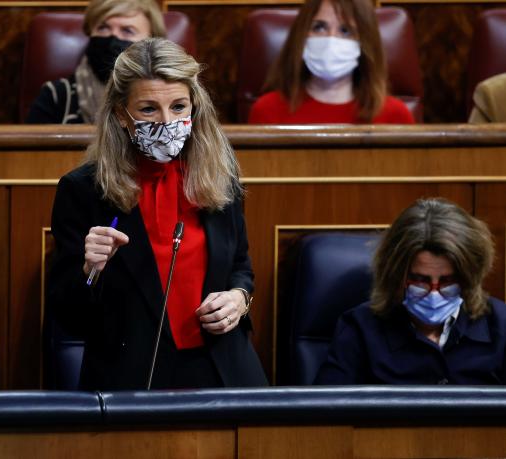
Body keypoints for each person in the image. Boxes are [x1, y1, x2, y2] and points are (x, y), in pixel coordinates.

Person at [48, 38, 267, 390]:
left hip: (225, 372)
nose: (167, 121)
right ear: (121, 114)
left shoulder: (218, 175)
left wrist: (239, 300)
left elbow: (240, 267)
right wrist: (89, 270)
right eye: (149, 109)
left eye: (179, 106)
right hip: (134, 378)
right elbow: (69, 315)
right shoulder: (84, 190)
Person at [315, 198, 506, 384]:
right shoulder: (359, 330)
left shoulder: (501, 325)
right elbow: (326, 412)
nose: (434, 293)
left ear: (468, 278)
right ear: (397, 276)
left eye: (447, 281)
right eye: (420, 280)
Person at [248, 0, 414, 124]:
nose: (331, 39)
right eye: (319, 27)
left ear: (365, 43)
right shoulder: (267, 111)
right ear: (301, 35)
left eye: (345, 31)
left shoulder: (395, 116)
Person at [25, 0, 165, 124]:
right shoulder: (56, 96)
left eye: (127, 30)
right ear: (90, 32)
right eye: (103, 28)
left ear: (151, 41)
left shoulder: (170, 98)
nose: (113, 38)